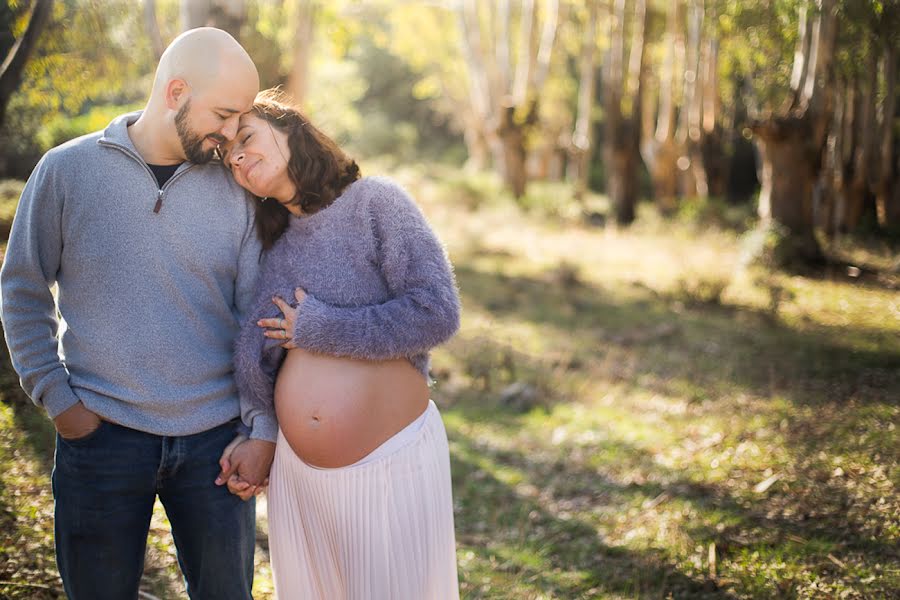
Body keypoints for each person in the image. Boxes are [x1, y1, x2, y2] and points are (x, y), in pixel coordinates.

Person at [0, 28, 276, 600]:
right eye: (223, 114)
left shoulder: (239, 191)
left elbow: (258, 322)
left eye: (240, 118)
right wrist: (59, 400)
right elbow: (22, 289)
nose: (232, 134)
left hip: (214, 444)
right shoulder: (66, 171)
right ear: (176, 91)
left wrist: (261, 429)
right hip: (100, 435)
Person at [219, 91, 462, 599]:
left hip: (388, 466)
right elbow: (258, 354)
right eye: (229, 157)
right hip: (300, 481)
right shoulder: (275, 246)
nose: (237, 157)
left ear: (291, 130)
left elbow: (437, 310)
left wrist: (325, 329)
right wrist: (261, 432)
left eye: (247, 138)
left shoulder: (376, 203)